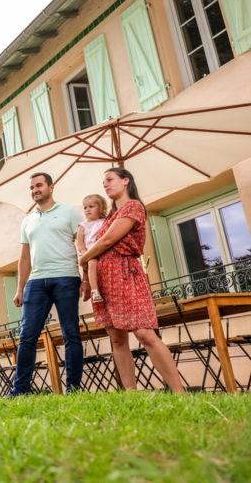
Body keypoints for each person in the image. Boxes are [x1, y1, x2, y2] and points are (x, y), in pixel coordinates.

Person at [79, 168, 184, 392]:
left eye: (109, 180)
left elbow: (107, 241)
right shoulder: (109, 217)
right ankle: (131, 393)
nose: (105, 185)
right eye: (103, 181)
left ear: (125, 181)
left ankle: (179, 391)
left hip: (126, 272)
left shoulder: (133, 206)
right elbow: (99, 242)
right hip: (105, 278)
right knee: (116, 337)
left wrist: (84, 258)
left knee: (144, 332)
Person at [9, 172, 89, 396]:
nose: (35, 190)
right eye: (32, 187)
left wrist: (87, 279)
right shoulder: (28, 220)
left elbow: (83, 247)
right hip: (36, 282)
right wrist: (20, 287)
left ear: (51, 187)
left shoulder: (70, 213)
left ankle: (73, 389)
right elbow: (24, 257)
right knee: (27, 336)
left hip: (66, 278)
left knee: (70, 333)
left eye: (39, 185)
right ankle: (20, 390)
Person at [75, 194, 107, 303]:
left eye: (91, 206)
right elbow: (79, 241)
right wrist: (85, 252)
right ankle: (95, 291)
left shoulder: (105, 222)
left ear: (101, 208)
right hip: (88, 253)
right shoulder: (83, 225)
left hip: (102, 251)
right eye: (85, 208)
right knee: (92, 263)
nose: (87, 210)